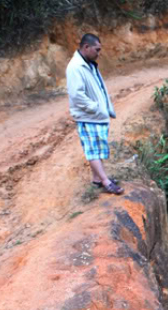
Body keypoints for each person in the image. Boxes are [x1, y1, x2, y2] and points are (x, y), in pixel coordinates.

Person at [66, 33, 124, 195]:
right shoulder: (75, 67)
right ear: (86, 47)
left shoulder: (88, 64)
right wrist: (95, 108)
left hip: (96, 115)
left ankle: (97, 180)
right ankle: (106, 182)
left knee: (98, 148)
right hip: (88, 116)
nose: (99, 53)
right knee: (93, 150)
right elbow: (76, 95)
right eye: (97, 50)